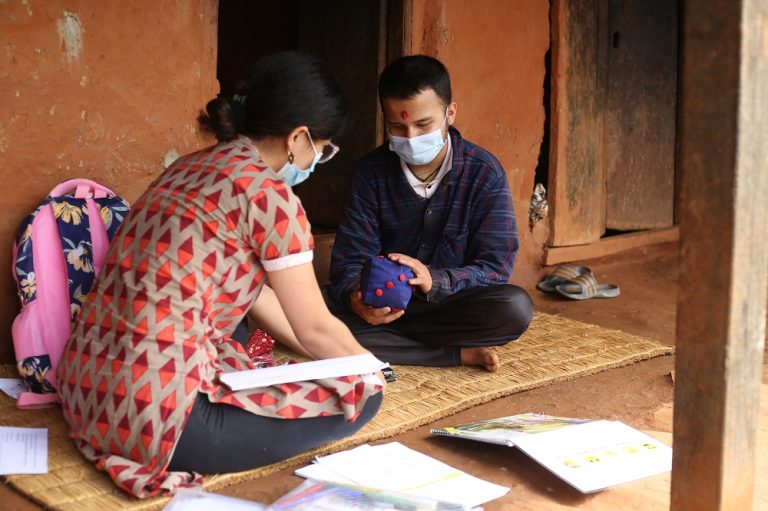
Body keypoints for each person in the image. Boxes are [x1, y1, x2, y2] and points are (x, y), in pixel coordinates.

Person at [56, 51, 385, 499]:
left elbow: (260, 298)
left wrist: (344, 357)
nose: (318, 159)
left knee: (271, 352)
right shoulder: (271, 197)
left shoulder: (188, 167)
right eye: (323, 149)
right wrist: (369, 372)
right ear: (299, 138)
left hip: (84, 390)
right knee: (363, 399)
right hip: (160, 419)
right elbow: (314, 325)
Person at [325, 55, 534, 371]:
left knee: (514, 309)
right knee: (304, 314)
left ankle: (370, 343)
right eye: (397, 125)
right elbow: (348, 262)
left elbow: (495, 266)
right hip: (382, 308)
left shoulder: (484, 172)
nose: (410, 137)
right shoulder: (369, 174)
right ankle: (454, 354)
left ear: (450, 112)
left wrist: (434, 280)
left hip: (448, 305)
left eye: (423, 124)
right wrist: (358, 299)